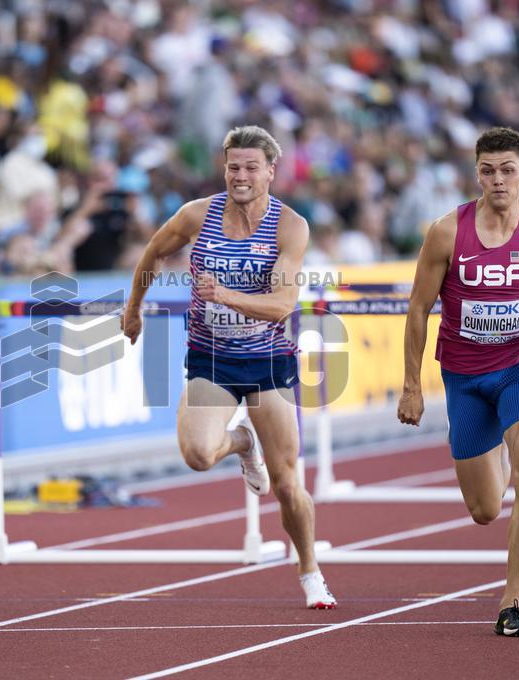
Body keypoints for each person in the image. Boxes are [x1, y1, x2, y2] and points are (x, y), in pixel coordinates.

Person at [122, 125, 336, 610]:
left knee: (286, 484)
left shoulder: (290, 226)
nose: (240, 176)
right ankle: (240, 441)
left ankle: (310, 572)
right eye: (233, 167)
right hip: (211, 359)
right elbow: (153, 253)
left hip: (266, 362)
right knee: (197, 454)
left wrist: (226, 295)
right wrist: (133, 308)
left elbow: (282, 305)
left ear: (270, 172)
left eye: (250, 168)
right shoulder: (197, 215)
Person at [398, 127, 519, 636]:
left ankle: (511, 605)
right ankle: (504, 445)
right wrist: (412, 385)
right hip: (464, 377)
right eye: (488, 170)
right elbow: (419, 308)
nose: (498, 180)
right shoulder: (447, 231)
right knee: (485, 509)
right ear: (477, 175)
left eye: (508, 170)